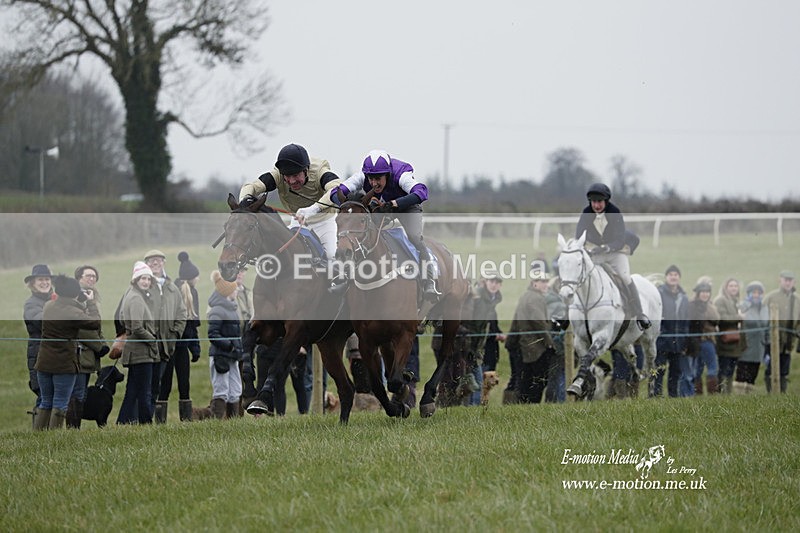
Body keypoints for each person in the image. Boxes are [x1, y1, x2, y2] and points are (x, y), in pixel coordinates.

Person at [330, 149, 439, 299]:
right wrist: (347, 204)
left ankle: (429, 281)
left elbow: (422, 192)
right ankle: (346, 277)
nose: (374, 183)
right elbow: (335, 193)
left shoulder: (401, 174)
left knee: (414, 237)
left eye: (378, 179)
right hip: (382, 207)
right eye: (371, 179)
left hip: (407, 206)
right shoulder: (362, 176)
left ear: (387, 174)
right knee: (363, 235)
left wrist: (395, 203)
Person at [238, 143, 342, 260]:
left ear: (306, 170)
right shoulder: (278, 174)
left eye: (296, 175)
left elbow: (337, 188)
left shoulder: (319, 171)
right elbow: (251, 186)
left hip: (325, 222)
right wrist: (244, 200)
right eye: (287, 176)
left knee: (331, 257)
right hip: (298, 222)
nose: (292, 181)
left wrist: (312, 209)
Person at [575, 183, 650, 329]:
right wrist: (586, 249)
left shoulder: (615, 212)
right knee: (580, 276)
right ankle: (569, 315)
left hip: (615, 252)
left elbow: (620, 239)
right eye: (594, 202)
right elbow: (579, 235)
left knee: (625, 277)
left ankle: (639, 314)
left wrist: (607, 247)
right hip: (596, 252)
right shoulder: (586, 213)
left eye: (599, 202)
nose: (596, 205)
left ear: (606, 201)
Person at [32, 275, 102, 430]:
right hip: (63, 364)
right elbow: (95, 323)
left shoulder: (49, 305)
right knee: (60, 402)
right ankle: (54, 438)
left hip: (43, 362)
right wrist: (90, 302)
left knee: (46, 401)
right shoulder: (72, 312)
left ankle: (38, 435)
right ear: (75, 293)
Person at [144, 249, 187, 423]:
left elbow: (181, 313)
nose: (155, 263)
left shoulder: (172, 288)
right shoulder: (143, 285)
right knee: (146, 385)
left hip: (166, 346)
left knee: (159, 385)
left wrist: (175, 333)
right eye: (151, 260)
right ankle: (143, 420)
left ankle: (157, 421)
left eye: (158, 260)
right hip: (146, 346)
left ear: (164, 263)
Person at [158, 251, 201, 422]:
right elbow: (192, 325)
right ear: (192, 278)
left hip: (171, 344)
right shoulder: (189, 292)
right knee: (183, 382)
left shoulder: (175, 290)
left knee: (166, 383)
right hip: (178, 346)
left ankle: (160, 419)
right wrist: (195, 347)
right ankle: (185, 419)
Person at [67, 265, 110, 428]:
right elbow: (83, 329)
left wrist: (103, 343)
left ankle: (74, 429)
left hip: (88, 354)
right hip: (79, 354)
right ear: (78, 278)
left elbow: (97, 326)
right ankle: (72, 429)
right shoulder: (77, 298)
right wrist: (100, 346)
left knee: (81, 393)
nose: (92, 279)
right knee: (77, 394)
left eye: (94, 276)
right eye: (88, 276)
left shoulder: (90, 296)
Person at [116, 262, 159, 425]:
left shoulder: (132, 295)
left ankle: (122, 422)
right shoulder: (135, 298)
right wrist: (152, 339)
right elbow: (136, 327)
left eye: (148, 279)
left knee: (132, 391)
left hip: (136, 352)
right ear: (136, 280)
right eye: (143, 278)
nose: (146, 282)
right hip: (141, 353)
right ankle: (146, 423)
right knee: (144, 391)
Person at [510, 268, 555, 404]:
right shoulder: (535, 298)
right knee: (539, 380)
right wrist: (550, 343)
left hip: (523, 346)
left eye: (546, 281)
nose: (545, 284)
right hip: (536, 348)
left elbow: (515, 321)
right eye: (542, 281)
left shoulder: (525, 296)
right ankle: (532, 405)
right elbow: (539, 323)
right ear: (533, 283)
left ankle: (523, 406)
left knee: (524, 380)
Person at [208, 271, 244, 419]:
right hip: (220, 356)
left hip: (232, 356)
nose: (236, 290)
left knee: (235, 389)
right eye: (234, 288)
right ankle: (218, 422)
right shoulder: (217, 310)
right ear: (227, 291)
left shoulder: (232, 309)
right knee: (221, 389)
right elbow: (213, 335)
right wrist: (229, 346)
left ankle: (232, 421)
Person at [654, 265, 689, 398]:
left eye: (676, 275)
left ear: (679, 278)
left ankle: (673, 396)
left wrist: (685, 339)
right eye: (671, 274)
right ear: (666, 277)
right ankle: (655, 395)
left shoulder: (683, 297)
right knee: (659, 370)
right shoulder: (659, 293)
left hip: (678, 342)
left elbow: (686, 320)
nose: (673, 277)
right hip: (662, 340)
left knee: (675, 371)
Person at [23, 264, 52, 418]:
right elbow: (42, 322)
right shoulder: (31, 304)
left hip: (53, 356)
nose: (44, 282)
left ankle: (52, 434)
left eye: (47, 279)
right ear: (33, 283)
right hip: (38, 357)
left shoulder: (54, 300)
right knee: (44, 398)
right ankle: (39, 434)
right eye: (40, 279)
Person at [763, 270, 800, 393]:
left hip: (789, 342)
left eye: (790, 280)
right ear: (780, 280)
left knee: (785, 369)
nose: (788, 283)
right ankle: (771, 393)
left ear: (794, 282)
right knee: (771, 367)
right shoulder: (770, 297)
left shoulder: (797, 299)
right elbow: (762, 317)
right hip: (771, 340)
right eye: (786, 280)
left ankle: (782, 394)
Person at [734, 281, 769, 393]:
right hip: (745, 348)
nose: (756, 295)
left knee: (752, 378)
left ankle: (748, 400)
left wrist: (768, 347)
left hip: (759, 349)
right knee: (741, 377)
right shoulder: (743, 306)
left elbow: (767, 327)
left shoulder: (765, 308)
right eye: (753, 293)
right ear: (748, 294)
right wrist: (745, 306)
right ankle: (738, 399)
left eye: (759, 293)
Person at [713, 277, 746, 394]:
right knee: (723, 369)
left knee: (731, 371)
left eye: (735, 286)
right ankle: (722, 393)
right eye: (731, 286)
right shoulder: (720, 300)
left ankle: (728, 393)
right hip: (724, 342)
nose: (734, 288)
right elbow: (721, 318)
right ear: (725, 287)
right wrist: (739, 318)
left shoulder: (736, 302)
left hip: (735, 343)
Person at [688, 281, 720, 394]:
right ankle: (710, 393)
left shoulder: (709, 306)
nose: (705, 294)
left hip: (703, 341)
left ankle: (700, 392)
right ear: (698, 293)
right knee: (711, 367)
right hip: (704, 341)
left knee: (699, 368)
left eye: (707, 292)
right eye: (703, 292)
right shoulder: (698, 306)